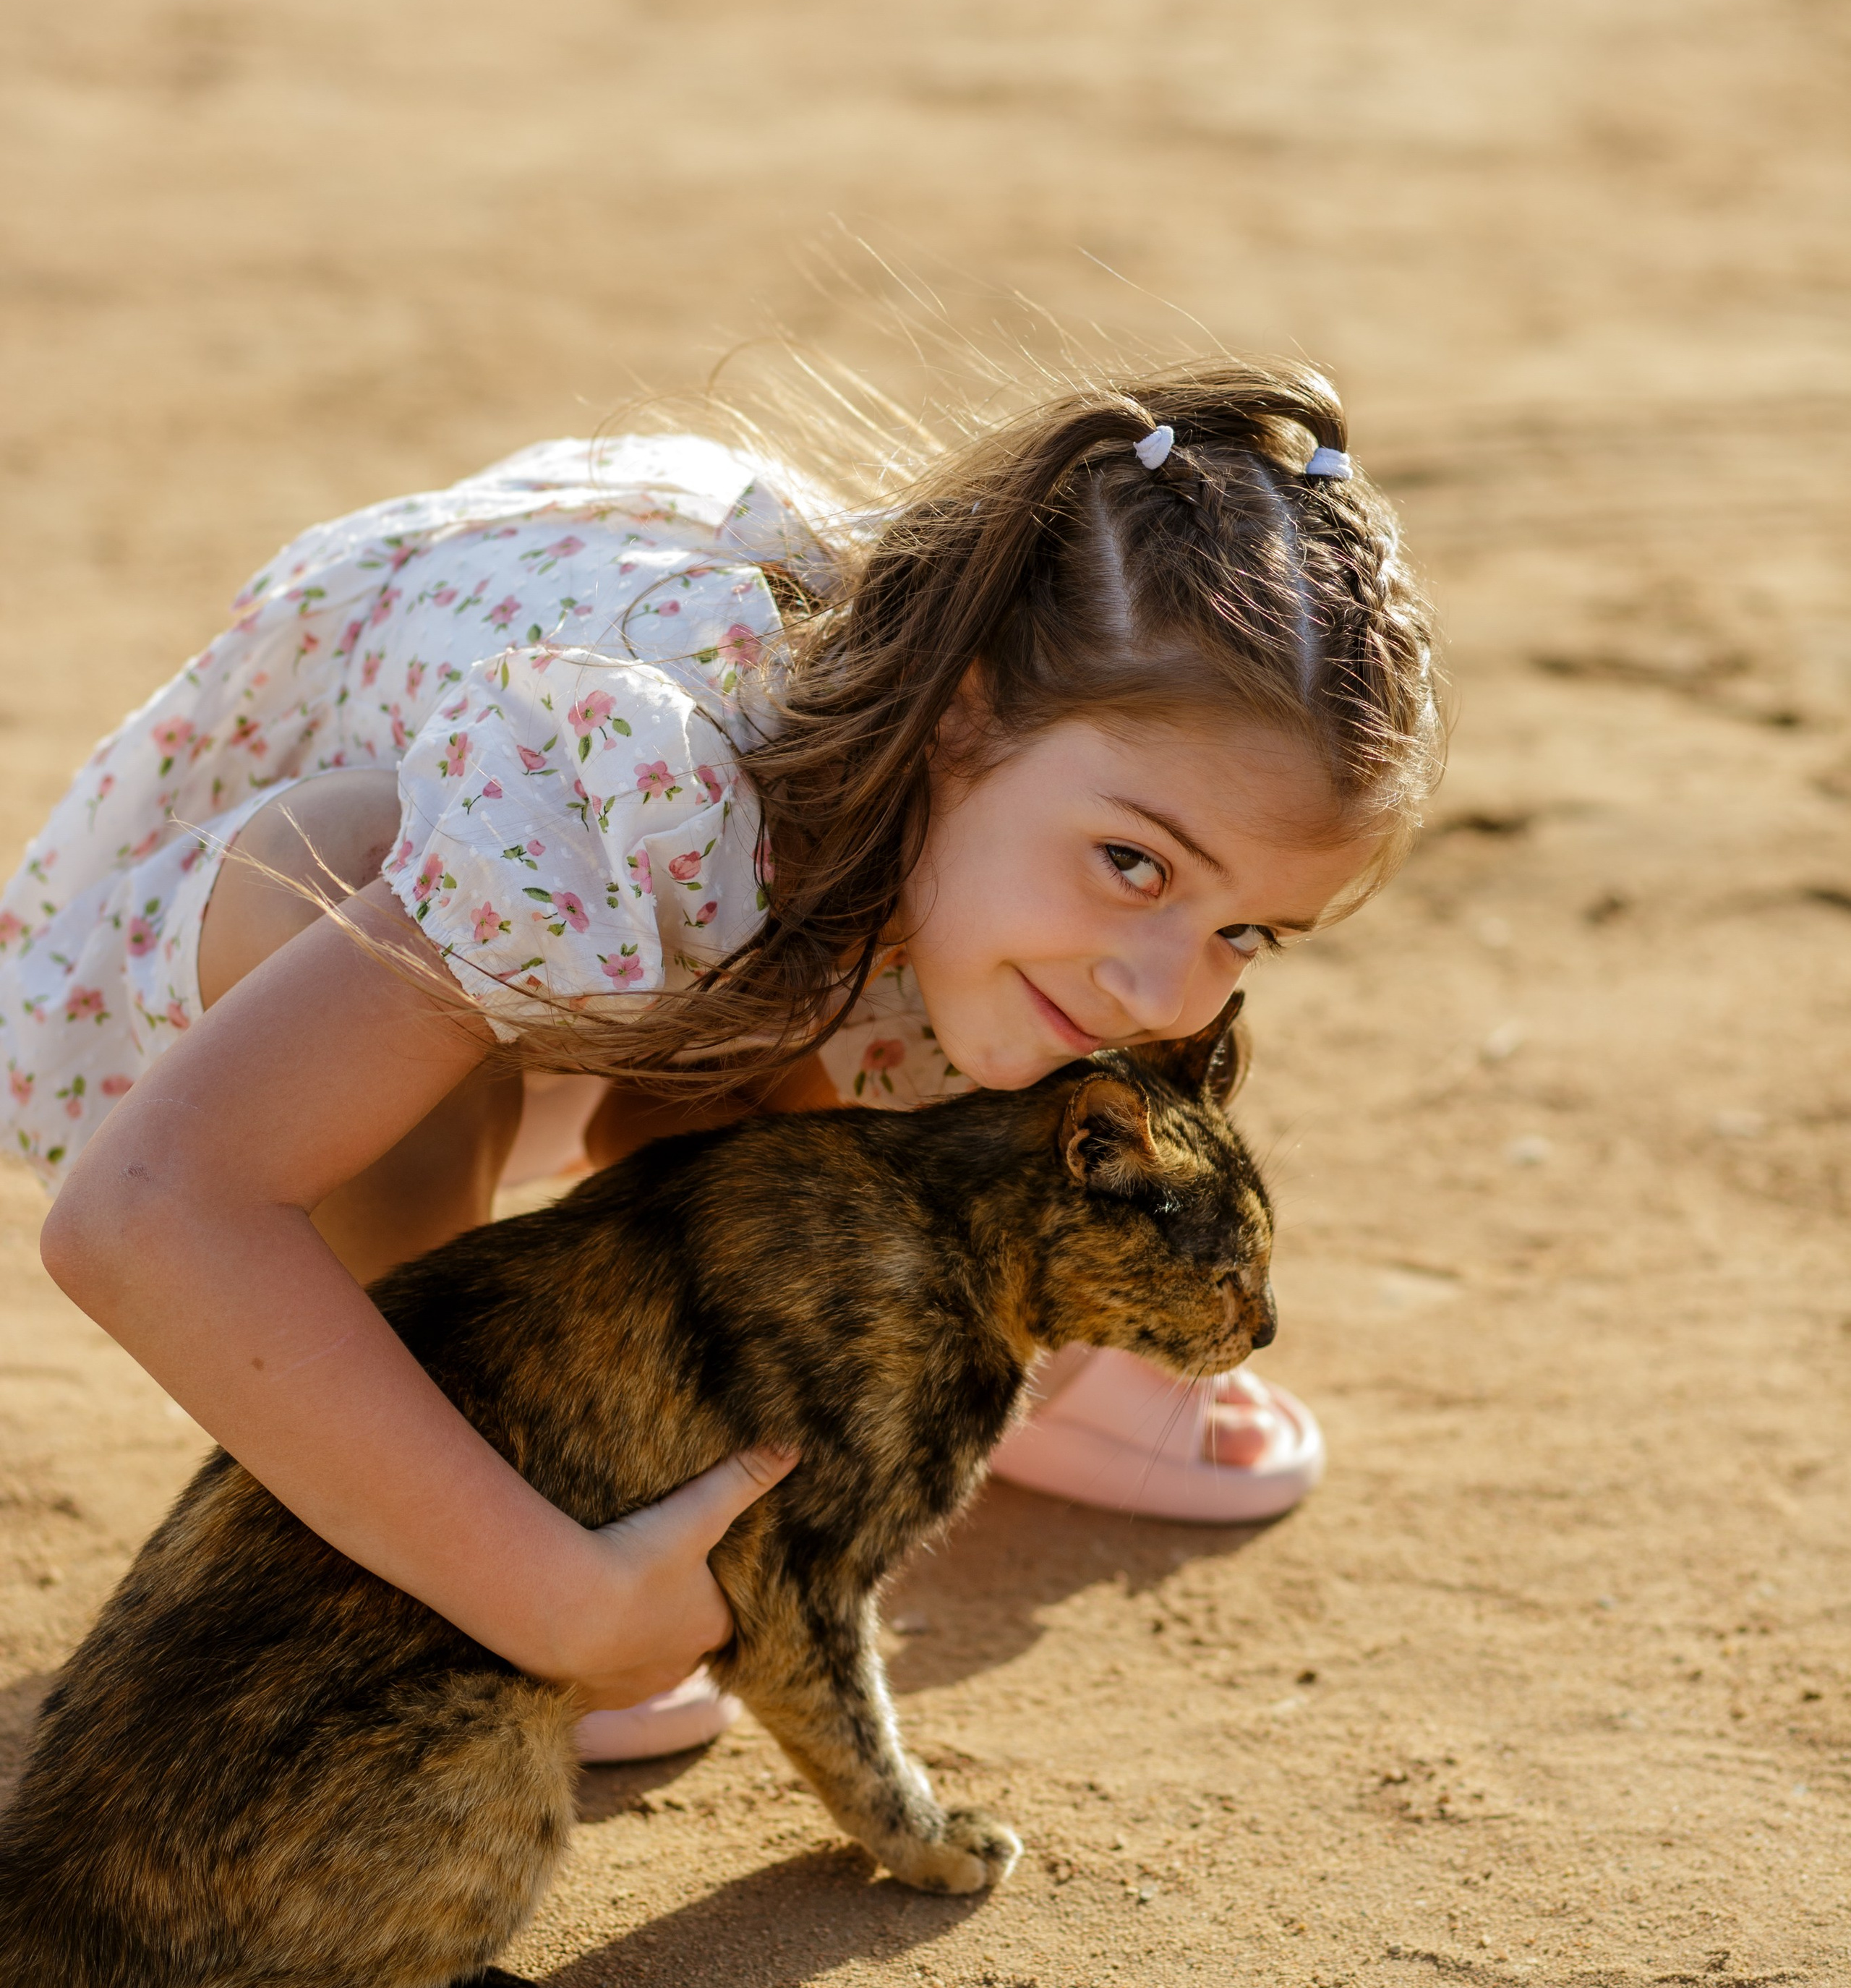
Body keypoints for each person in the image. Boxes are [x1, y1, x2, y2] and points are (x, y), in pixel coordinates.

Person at [1, 363, 1442, 1761]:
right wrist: (547, 1596)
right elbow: (148, 1217)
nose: (1166, 984)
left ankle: (949, 1352)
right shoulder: (627, 790)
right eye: (1132, 862)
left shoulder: (1034, 877)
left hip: (772, 894)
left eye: (1250, 926)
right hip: (308, 939)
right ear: (962, 711)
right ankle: (483, 1492)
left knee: (976, 1010)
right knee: (364, 867)